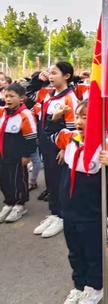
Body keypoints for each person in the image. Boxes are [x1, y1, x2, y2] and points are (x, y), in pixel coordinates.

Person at [55, 100, 108, 304]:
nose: (80, 121)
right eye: (78, 116)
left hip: (91, 213)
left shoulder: (104, 145)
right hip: (69, 210)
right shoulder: (71, 140)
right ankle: (80, 285)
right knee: (74, 252)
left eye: (86, 117)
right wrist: (55, 118)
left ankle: (95, 287)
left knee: (93, 253)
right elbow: (49, 134)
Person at [34, 62, 79, 238]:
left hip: (59, 147)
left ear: (66, 76)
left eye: (55, 73)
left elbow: (74, 128)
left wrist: (65, 148)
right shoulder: (50, 95)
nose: (51, 77)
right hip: (47, 144)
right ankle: (53, 213)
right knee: (50, 180)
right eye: (50, 73)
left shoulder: (70, 98)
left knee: (61, 182)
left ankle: (62, 216)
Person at [0, 83, 37, 223]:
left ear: (21, 98)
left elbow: (31, 138)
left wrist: (27, 155)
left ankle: (20, 205)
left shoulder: (25, 114)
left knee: (17, 180)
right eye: (6, 96)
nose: (8, 99)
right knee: (4, 179)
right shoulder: (2, 112)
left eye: (11, 96)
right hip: (3, 154)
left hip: (17, 155)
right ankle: (9, 202)